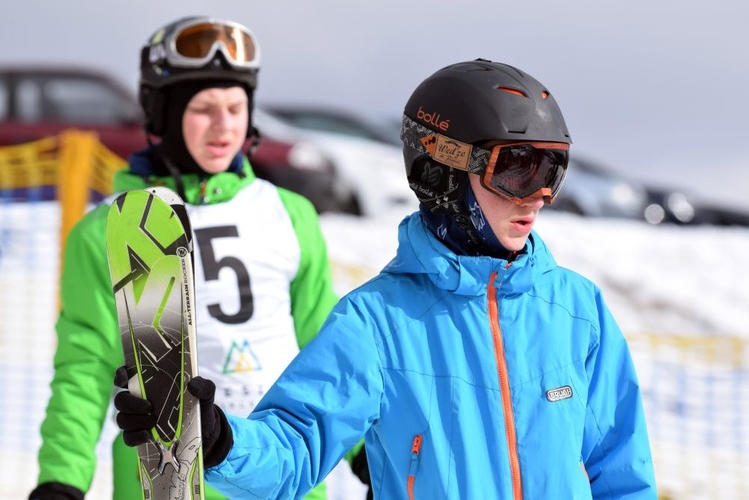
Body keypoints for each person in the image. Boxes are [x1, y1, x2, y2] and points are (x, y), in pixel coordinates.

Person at [115, 58, 658, 498]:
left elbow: (622, 476)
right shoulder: (376, 322)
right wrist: (217, 441)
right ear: (442, 170)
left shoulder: (575, 310)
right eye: (518, 167)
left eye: (553, 170)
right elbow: (295, 444)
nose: (540, 193)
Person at [29, 16, 366, 500]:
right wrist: (60, 481)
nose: (224, 124)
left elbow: (324, 348)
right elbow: (83, 370)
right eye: (203, 108)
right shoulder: (109, 232)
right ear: (163, 114)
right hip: (168, 480)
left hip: (280, 474)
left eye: (236, 106)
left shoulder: (289, 214)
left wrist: (365, 454)